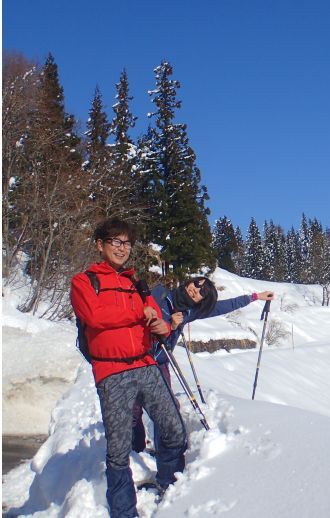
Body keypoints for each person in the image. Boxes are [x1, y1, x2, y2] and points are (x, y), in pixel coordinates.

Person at [70, 218, 186, 518]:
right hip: (111, 373)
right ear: (100, 245)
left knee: (173, 429)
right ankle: (124, 512)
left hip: (145, 364)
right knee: (118, 451)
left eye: (127, 243)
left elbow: (152, 319)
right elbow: (95, 316)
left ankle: (172, 488)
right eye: (115, 242)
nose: (122, 249)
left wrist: (161, 327)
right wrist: (139, 311)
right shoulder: (84, 282)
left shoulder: (137, 283)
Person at [131, 276, 274, 452]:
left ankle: (164, 456)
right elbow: (137, 324)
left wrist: (255, 297)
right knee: (132, 411)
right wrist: (170, 325)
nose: (195, 290)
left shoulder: (190, 311)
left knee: (168, 411)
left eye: (201, 293)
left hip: (159, 364)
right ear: (188, 282)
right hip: (135, 361)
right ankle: (135, 452)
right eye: (196, 285)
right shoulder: (160, 295)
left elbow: (223, 306)